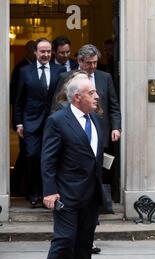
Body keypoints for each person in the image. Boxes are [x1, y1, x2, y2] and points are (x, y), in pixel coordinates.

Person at [39, 76, 103, 259]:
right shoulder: (57, 120)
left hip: (90, 196)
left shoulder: (95, 120)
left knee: (83, 246)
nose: (97, 97)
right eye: (92, 93)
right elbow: (48, 159)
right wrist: (49, 190)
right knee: (64, 241)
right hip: (66, 194)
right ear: (77, 97)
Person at [55, 44, 121, 214]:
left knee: (99, 170)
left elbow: (113, 105)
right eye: (89, 63)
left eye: (95, 63)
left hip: (99, 133)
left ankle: (97, 206)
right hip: (74, 133)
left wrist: (116, 127)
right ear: (80, 61)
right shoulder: (66, 77)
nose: (92, 66)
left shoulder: (105, 77)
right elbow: (57, 105)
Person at [13, 38, 66, 207]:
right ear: (35, 52)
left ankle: (47, 194)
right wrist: (19, 123)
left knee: (50, 158)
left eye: (48, 51)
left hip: (53, 122)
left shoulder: (60, 70)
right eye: (42, 51)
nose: (45, 54)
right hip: (31, 122)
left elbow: (63, 98)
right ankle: (33, 193)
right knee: (32, 156)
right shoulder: (25, 71)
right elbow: (18, 100)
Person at [10, 40, 36, 197]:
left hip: (32, 118)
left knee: (26, 153)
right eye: (35, 50)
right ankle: (17, 185)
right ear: (30, 51)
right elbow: (16, 97)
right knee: (26, 153)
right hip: (26, 118)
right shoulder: (21, 68)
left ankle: (19, 185)